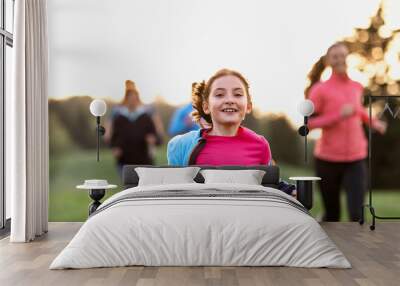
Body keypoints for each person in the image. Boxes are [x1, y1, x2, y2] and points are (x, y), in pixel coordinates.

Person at [306, 42, 387, 222]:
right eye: (335, 56)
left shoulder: (356, 86)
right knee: (332, 215)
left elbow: (358, 111)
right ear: (328, 61)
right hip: (327, 159)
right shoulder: (319, 90)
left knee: (357, 215)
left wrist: (374, 122)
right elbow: (308, 124)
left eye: (343, 55)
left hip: (355, 158)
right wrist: (337, 116)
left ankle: (356, 250)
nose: (340, 60)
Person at [167, 69, 272, 167]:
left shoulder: (261, 146)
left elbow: (267, 184)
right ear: (206, 107)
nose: (229, 100)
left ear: (248, 106)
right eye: (220, 94)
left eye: (238, 94)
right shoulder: (181, 146)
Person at [104, 80, 162, 176]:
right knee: (128, 187)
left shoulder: (146, 116)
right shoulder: (118, 116)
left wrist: (154, 139)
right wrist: (114, 147)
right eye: (130, 98)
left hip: (144, 159)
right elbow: (111, 136)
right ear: (126, 99)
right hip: (124, 160)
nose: (132, 101)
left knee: (144, 189)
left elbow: (157, 135)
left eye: (135, 98)